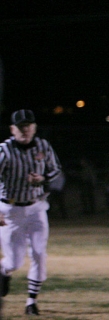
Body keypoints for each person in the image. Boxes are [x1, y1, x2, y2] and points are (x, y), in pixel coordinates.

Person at [0, 109, 63, 316]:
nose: (25, 130)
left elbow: (55, 170)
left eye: (28, 126)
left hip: (36, 207)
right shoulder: (4, 150)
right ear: (12, 129)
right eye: (20, 127)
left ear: (34, 127)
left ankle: (31, 302)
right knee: (14, 261)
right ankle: (3, 271)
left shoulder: (43, 146)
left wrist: (42, 178)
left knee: (38, 253)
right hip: (11, 209)